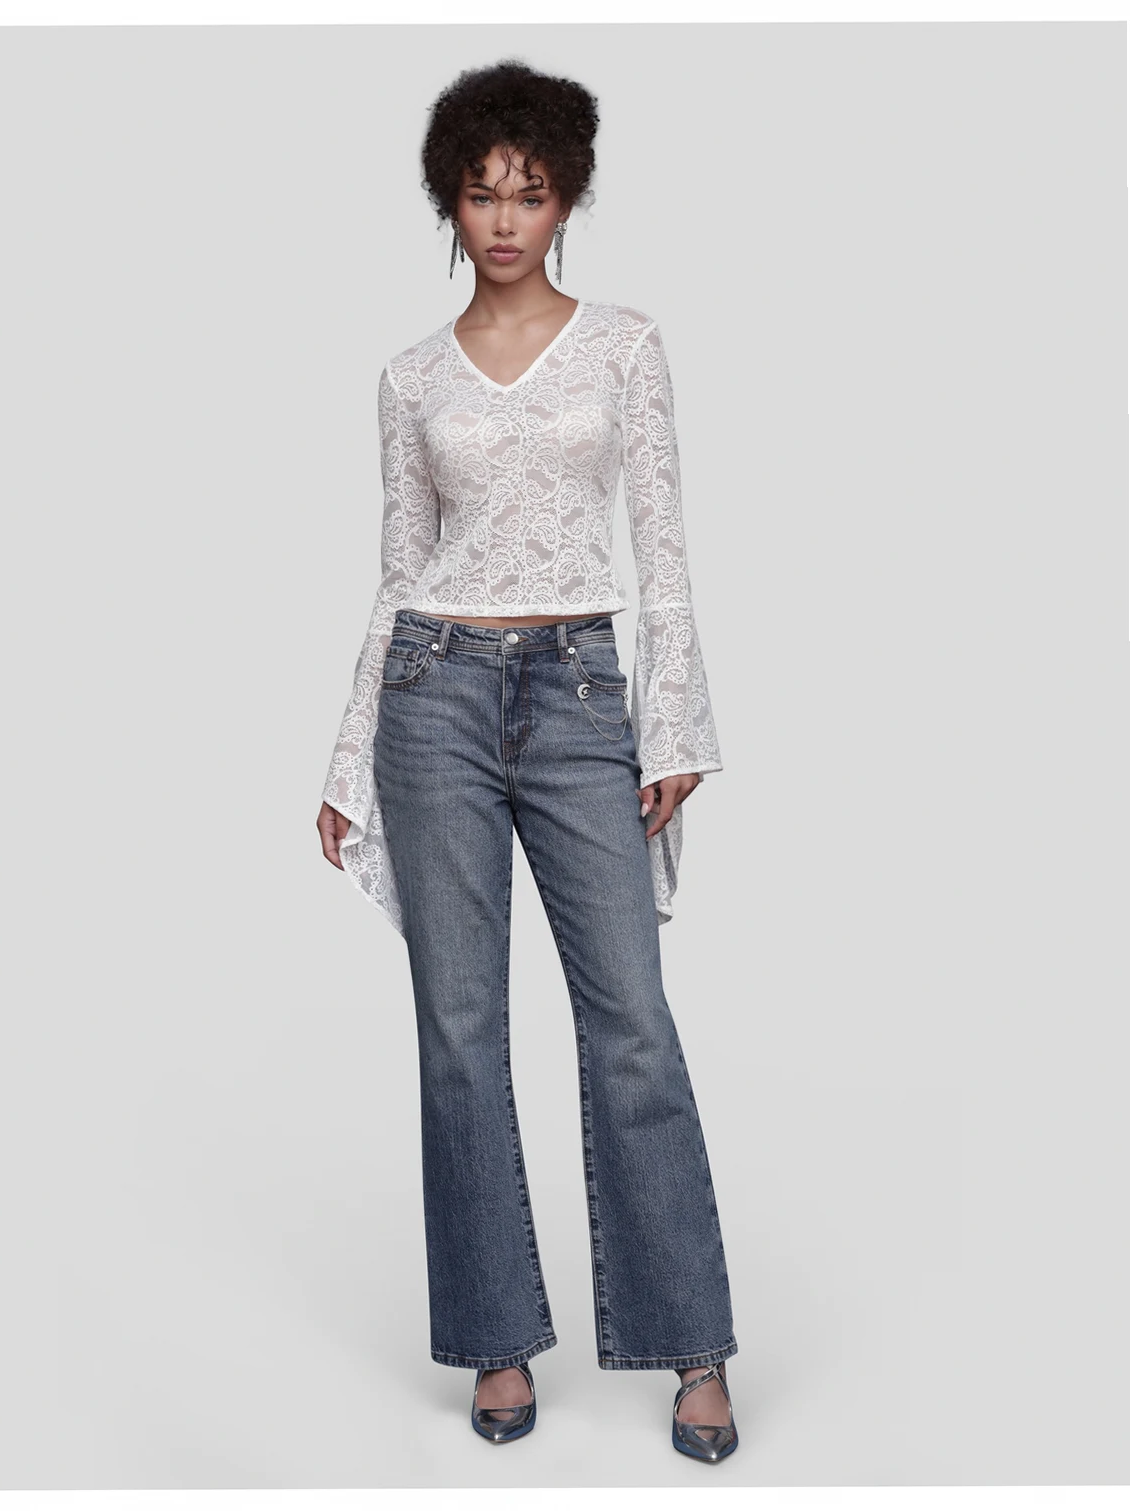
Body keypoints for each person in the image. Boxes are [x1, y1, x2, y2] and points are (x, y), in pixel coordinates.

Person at [316, 58, 739, 1464]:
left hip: (578, 693)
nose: (505, 218)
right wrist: (348, 755)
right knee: (458, 1031)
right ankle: (498, 1337)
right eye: (483, 192)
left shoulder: (624, 346)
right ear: (451, 200)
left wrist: (672, 723)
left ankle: (694, 1344)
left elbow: (664, 548)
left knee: (632, 1022)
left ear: (566, 200)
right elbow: (396, 573)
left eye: (531, 191)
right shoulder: (408, 378)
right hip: (432, 692)